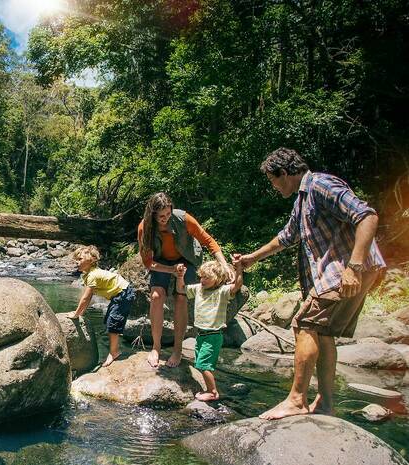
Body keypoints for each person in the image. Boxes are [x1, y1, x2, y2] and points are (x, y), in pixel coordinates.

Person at [234, 147, 386, 420]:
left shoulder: (320, 184)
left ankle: (296, 400)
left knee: (304, 324)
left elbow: (367, 216)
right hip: (344, 272)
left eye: (272, 180)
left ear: (284, 173)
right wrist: (251, 259)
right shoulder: (302, 201)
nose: (273, 186)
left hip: (346, 269)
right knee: (323, 331)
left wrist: (354, 266)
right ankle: (325, 403)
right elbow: (286, 237)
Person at [138, 192, 233, 369]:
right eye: (161, 216)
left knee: (181, 297)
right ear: (152, 214)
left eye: (168, 214)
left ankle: (177, 349)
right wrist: (171, 271)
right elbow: (148, 262)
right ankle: (156, 348)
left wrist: (224, 264)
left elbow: (208, 241)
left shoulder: (184, 219)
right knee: (157, 296)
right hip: (162, 261)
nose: (165, 219)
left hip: (187, 257)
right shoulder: (144, 227)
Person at [176, 259, 244, 401]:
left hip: (213, 335)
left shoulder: (222, 292)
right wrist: (180, 276)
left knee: (203, 365)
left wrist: (239, 268)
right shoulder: (198, 289)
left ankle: (212, 392)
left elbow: (237, 285)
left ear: (218, 279)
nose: (203, 280)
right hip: (201, 335)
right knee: (200, 363)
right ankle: (210, 388)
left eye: (207, 277)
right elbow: (181, 289)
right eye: (201, 276)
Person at [68, 245, 136, 367]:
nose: (77, 262)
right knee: (109, 320)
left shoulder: (93, 275)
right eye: (76, 259)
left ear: (91, 261)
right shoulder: (88, 274)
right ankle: (113, 347)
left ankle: (114, 352)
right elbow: (87, 298)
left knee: (113, 322)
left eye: (80, 259)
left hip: (123, 293)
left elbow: (86, 298)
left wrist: (77, 313)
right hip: (119, 294)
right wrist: (81, 312)